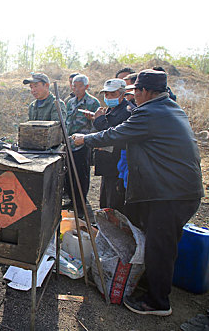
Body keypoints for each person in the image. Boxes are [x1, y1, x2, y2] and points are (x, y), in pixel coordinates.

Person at [72, 69, 204, 317]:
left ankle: (158, 302)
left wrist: (83, 139)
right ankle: (154, 285)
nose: (133, 98)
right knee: (161, 243)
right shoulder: (170, 108)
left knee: (159, 246)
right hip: (180, 190)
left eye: (135, 93)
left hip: (171, 193)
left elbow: (116, 134)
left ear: (145, 92)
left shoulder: (150, 113)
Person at [92, 78, 134, 213]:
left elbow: (112, 135)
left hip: (118, 166)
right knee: (105, 200)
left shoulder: (127, 112)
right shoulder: (111, 109)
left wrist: (98, 120)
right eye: (106, 94)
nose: (108, 97)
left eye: (113, 94)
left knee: (114, 203)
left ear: (123, 94)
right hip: (108, 165)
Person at [64, 74, 100, 216]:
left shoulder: (92, 102)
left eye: (79, 86)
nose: (76, 89)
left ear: (86, 87)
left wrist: (88, 139)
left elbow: (96, 124)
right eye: (74, 85)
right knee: (69, 174)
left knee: (82, 174)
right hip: (69, 142)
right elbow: (67, 121)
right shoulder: (70, 102)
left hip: (83, 144)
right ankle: (72, 200)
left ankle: (81, 204)